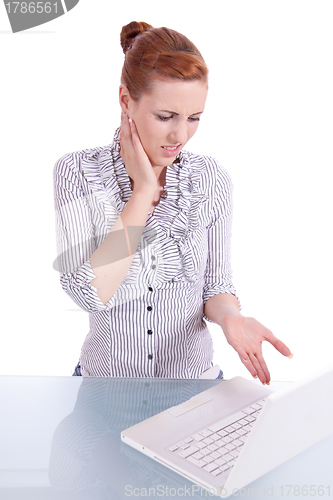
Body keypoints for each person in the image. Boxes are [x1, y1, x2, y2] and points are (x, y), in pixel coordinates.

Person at [53, 21, 292, 383]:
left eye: (194, 118)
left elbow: (216, 284)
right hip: (104, 386)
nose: (180, 135)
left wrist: (231, 318)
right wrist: (143, 193)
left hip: (193, 384)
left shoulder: (210, 178)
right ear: (125, 100)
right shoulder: (77, 172)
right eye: (165, 117)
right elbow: (89, 291)